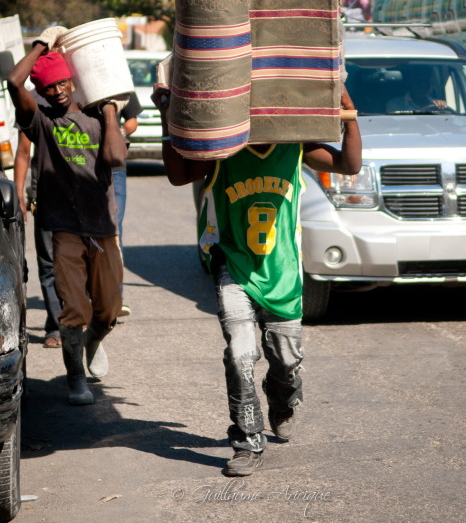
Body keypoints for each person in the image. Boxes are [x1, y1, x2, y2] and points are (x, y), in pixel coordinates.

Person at [152, 83, 362, 477]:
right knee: (240, 355)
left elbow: (349, 166)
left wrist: (350, 114)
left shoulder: (294, 145)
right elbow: (178, 176)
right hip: (234, 267)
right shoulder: (221, 150)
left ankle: (283, 399)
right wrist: (168, 114)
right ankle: (247, 441)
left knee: (286, 362)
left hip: (282, 273)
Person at [8, 26, 128, 406]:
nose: (56, 91)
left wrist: (110, 110)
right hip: (63, 227)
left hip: (103, 228)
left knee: (107, 309)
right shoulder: (42, 121)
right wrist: (42, 45)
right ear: (41, 92)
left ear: (73, 81)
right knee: (73, 306)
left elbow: (116, 159)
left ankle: (94, 339)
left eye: (61, 83)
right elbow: (14, 82)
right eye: (48, 87)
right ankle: (76, 377)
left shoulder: (97, 117)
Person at [14, 129, 63, 348]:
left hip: (82, 196)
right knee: (49, 265)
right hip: (44, 198)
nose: (57, 91)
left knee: (81, 263)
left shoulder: (83, 102)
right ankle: (56, 326)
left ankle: (78, 315)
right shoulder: (33, 105)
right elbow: (24, 151)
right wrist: (19, 197)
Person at [113, 92, 142, 317]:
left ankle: (115, 298)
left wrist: (120, 133)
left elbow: (133, 120)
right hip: (84, 165)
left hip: (115, 168)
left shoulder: (118, 84)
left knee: (114, 230)